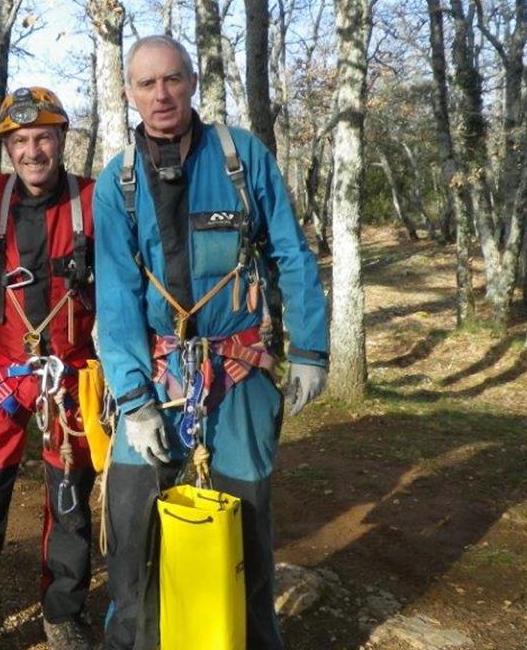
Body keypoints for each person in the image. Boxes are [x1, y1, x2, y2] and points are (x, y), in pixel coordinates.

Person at [93, 35, 329, 650]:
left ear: (192, 81)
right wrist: (133, 399)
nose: (161, 94)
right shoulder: (116, 183)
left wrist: (310, 350)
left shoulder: (240, 157)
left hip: (238, 369)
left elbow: (290, 253)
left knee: (245, 528)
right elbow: (115, 297)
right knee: (133, 529)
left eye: (172, 79)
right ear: (129, 93)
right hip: (154, 377)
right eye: (147, 84)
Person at [0, 87, 97, 650]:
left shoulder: (95, 202)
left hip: (73, 376)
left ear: (61, 140)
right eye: (21, 141)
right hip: (6, 374)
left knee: (71, 499)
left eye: (43, 138)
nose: (33, 151)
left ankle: (62, 612)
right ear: (7, 147)